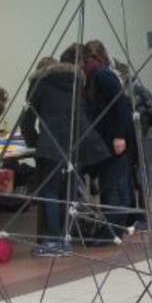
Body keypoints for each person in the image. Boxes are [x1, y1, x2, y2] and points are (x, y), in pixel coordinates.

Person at [20, 53, 109, 256]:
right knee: (69, 192)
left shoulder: (39, 84)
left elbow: (27, 121)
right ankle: (68, 236)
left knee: (50, 192)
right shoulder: (76, 82)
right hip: (77, 143)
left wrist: (35, 144)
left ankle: (53, 240)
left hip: (52, 144)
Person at [82, 40, 135, 236]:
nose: (85, 65)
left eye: (87, 60)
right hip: (110, 137)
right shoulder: (98, 76)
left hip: (115, 138)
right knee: (114, 183)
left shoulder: (102, 75)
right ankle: (114, 226)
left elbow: (120, 105)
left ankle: (112, 229)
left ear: (95, 59)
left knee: (113, 184)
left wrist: (119, 136)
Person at [113, 59, 152, 226]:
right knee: (137, 171)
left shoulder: (131, 92)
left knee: (141, 171)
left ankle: (144, 217)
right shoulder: (129, 89)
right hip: (147, 128)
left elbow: (140, 121)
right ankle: (138, 214)